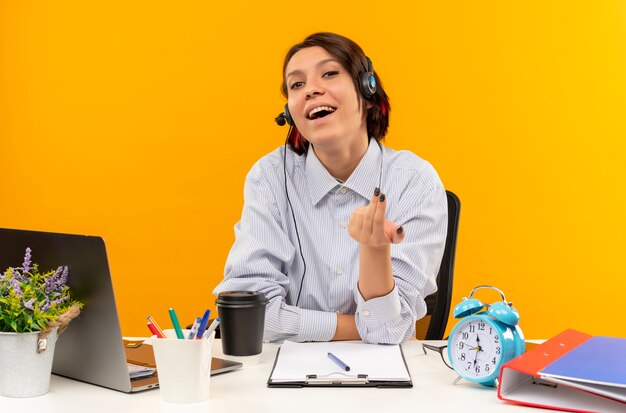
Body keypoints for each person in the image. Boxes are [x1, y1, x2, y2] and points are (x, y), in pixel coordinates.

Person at [213, 32, 447, 344]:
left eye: (329, 73)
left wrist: (375, 251)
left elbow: (389, 331)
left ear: (367, 90)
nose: (311, 89)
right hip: (282, 378)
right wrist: (356, 328)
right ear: (291, 114)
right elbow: (247, 315)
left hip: (384, 379)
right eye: (297, 84)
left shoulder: (414, 182)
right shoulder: (269, 178)